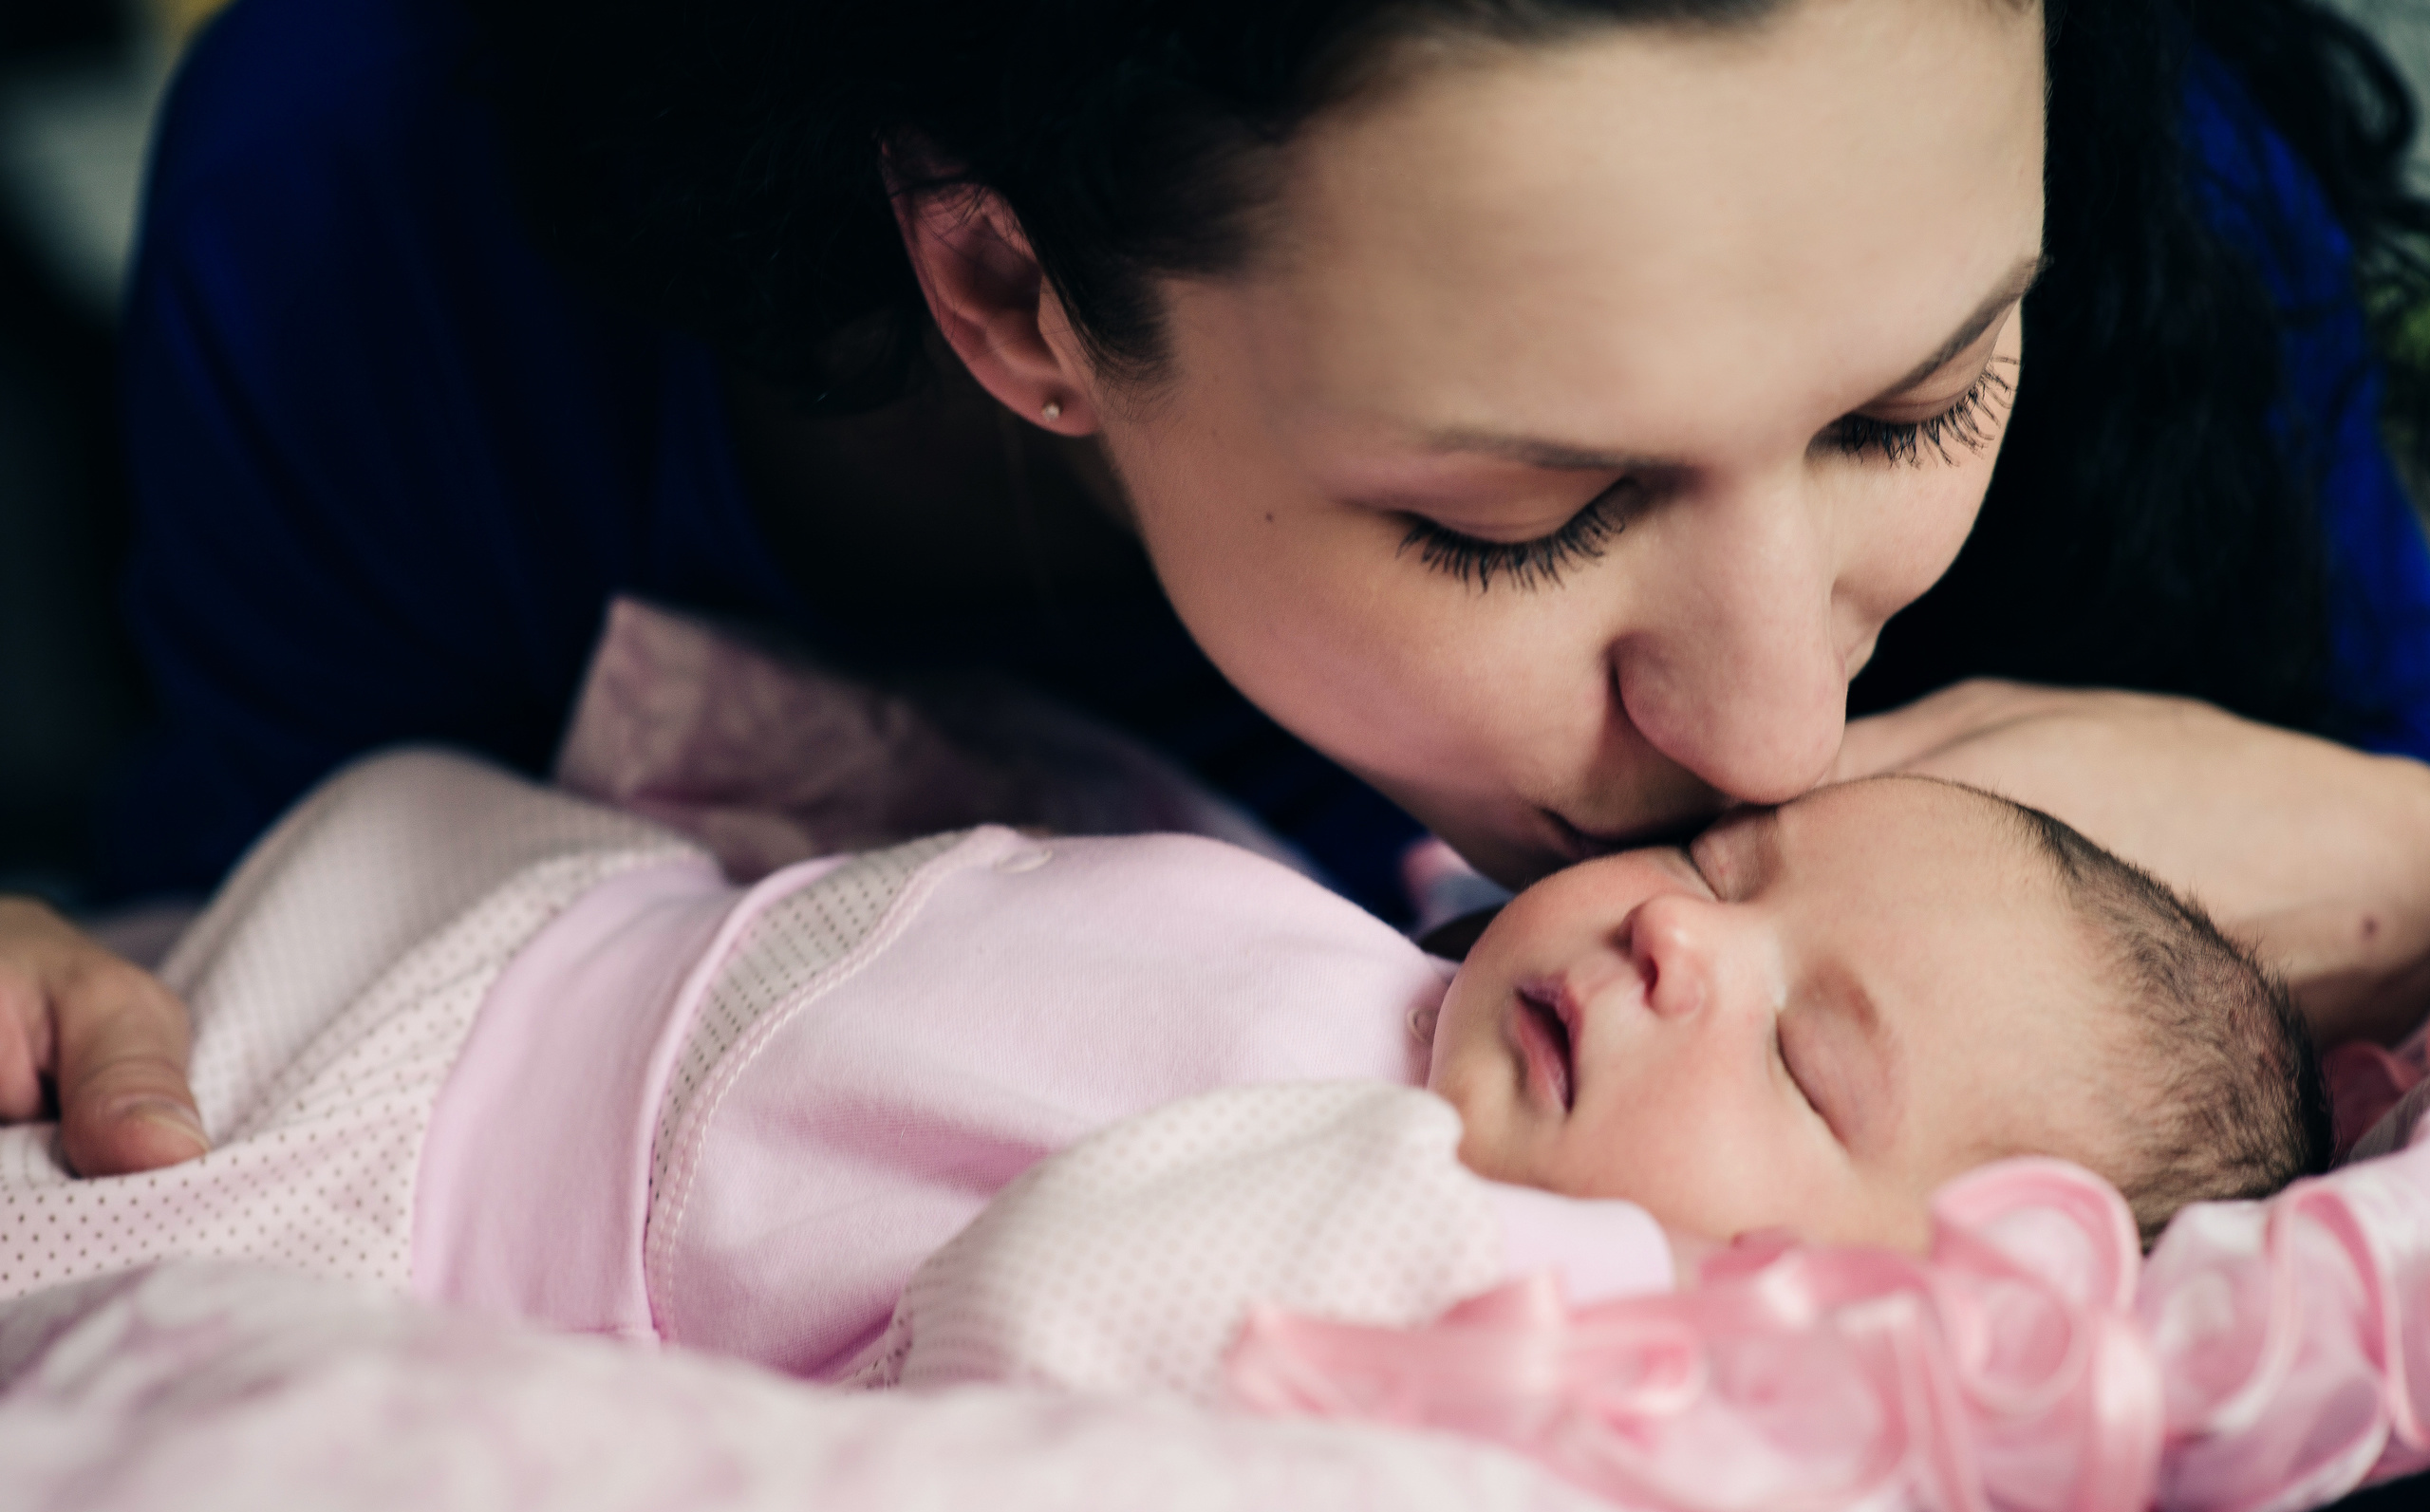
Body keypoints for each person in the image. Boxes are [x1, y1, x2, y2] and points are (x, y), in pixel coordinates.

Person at [8, 0, 2430, 1175]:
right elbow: (227, 996)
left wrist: (2380, 846)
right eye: (1520, 524)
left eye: (1910, 412)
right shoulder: (371, 235)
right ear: (1007, 300)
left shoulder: (2151, 174)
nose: (1784, 740)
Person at [0, 750, 2326, 1378]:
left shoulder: (1435, 1266)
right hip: (494, 925)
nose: (1672, 936)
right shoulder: (1395, 961)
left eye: (1810, 1068)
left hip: (405, 1211)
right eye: (1732, 862)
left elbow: (1040, 1324)